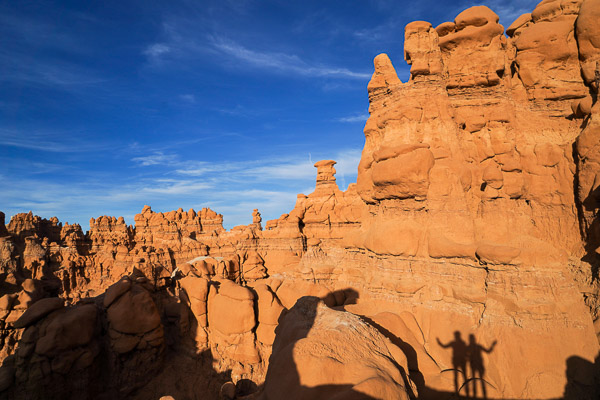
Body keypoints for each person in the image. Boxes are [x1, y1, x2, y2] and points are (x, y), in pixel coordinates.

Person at [437, 331, 469, 397]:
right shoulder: (461, 343)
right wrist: (439, 343)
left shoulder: (455, 343)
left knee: (458, 375)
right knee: (461, 375)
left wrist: (439, 343)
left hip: (458, 360)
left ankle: (461, 390)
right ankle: (462, 390)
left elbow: (444, 346)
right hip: (459, 360)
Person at [468, 334, 497, 399]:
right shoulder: (477, 346)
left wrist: (492, 345)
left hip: (476, 364)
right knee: (479, 380)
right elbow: (488, 351)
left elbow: (488, 351)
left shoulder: (471, 346)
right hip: (477, 364)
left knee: (476, 379)